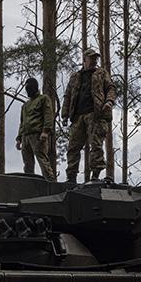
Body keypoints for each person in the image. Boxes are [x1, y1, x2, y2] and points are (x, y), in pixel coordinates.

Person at [61, 47, 116, 183]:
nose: (94, 60)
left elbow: (111, 88)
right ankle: (71, 177)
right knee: (73, 147)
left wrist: (109, 101)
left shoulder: (101, 73)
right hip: (78, 116)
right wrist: (65, 114)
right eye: (91, 58)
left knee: (96, 145)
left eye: (95, 58)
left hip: (95, 114)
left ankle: (95, 175)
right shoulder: (75, 77)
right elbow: (68, 95)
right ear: (84, 59)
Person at [16, 77, 56, 180]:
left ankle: (50, 181)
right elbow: (22, 122)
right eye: (26, 89)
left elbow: (48, 115)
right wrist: (19, 138)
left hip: (37, 135)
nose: (28, 91)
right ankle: (30, 184)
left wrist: (45, 131)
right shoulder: (25, 105)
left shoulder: (43, 99)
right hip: (26, 136)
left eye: (29, 88)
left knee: (42, 159)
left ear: (35, 88)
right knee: (28, 164)